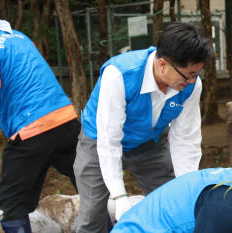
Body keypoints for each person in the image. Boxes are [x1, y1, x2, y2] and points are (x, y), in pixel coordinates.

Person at [73, 22, 214, 233]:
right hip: (98, 143)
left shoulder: (191, 85)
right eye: (188, 74)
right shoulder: (120, 75)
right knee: (92, 214)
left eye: (196, 74)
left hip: (148, 144)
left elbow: (186, 140)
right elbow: (109, 139)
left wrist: (187, 188)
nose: (192, 80)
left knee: (172, 203)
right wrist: (120, 197)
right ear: (163, 64)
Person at [0, 18, 80, 233]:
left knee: (12, 202)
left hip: (33, 128)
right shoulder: (17, 37)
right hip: (66, 120)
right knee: (88, 185)